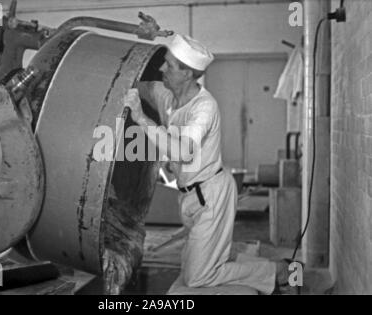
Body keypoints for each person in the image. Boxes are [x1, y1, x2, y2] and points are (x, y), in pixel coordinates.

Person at [123, 34, 290, 294]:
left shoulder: (204, 107)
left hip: (211, 196)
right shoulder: (166, 95)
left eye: (169, 65)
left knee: (198, 277)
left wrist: (140, 118)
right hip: (190, 197)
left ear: (188, 74)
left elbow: (183, 150)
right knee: (198, 263)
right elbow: (137, 84)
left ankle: (280, 272)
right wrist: (150, 36)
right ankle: (275, 269)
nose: (161, 69)